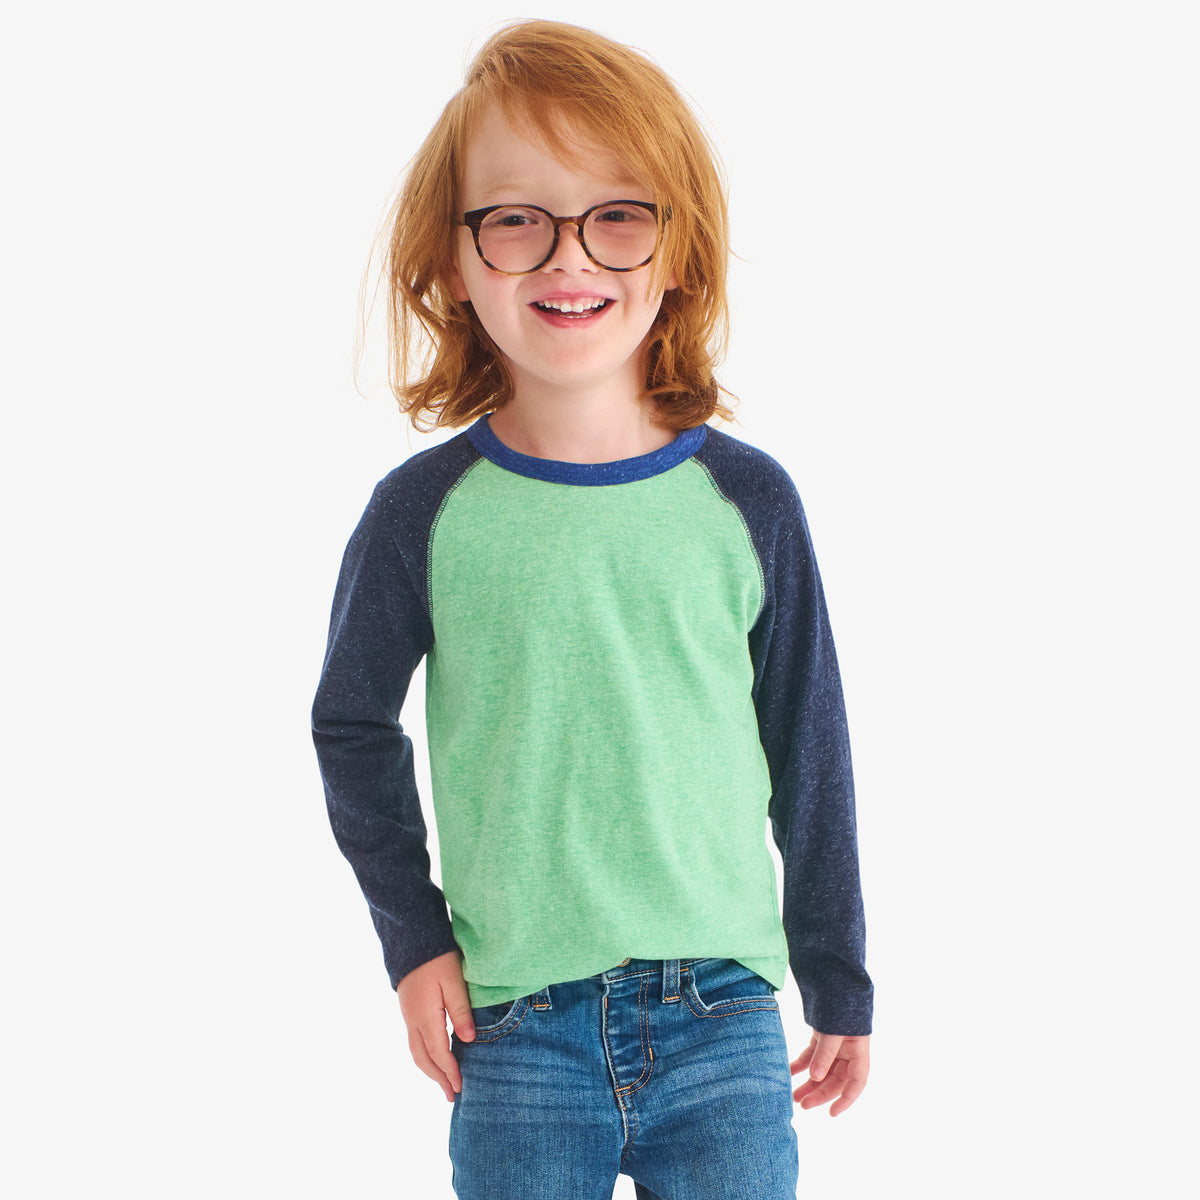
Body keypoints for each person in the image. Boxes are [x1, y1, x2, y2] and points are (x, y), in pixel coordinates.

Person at [312, 19, 872, 1199]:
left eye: (617, 215)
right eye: (516, 219)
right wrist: (414, 942)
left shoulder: (748, 500)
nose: (569, 258)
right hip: (517, 1028)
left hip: (724, 1019)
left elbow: (808, 742)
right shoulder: (425, 513)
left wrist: (839, 976)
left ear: (679, 250)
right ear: (455, 261)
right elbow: (351, 724)